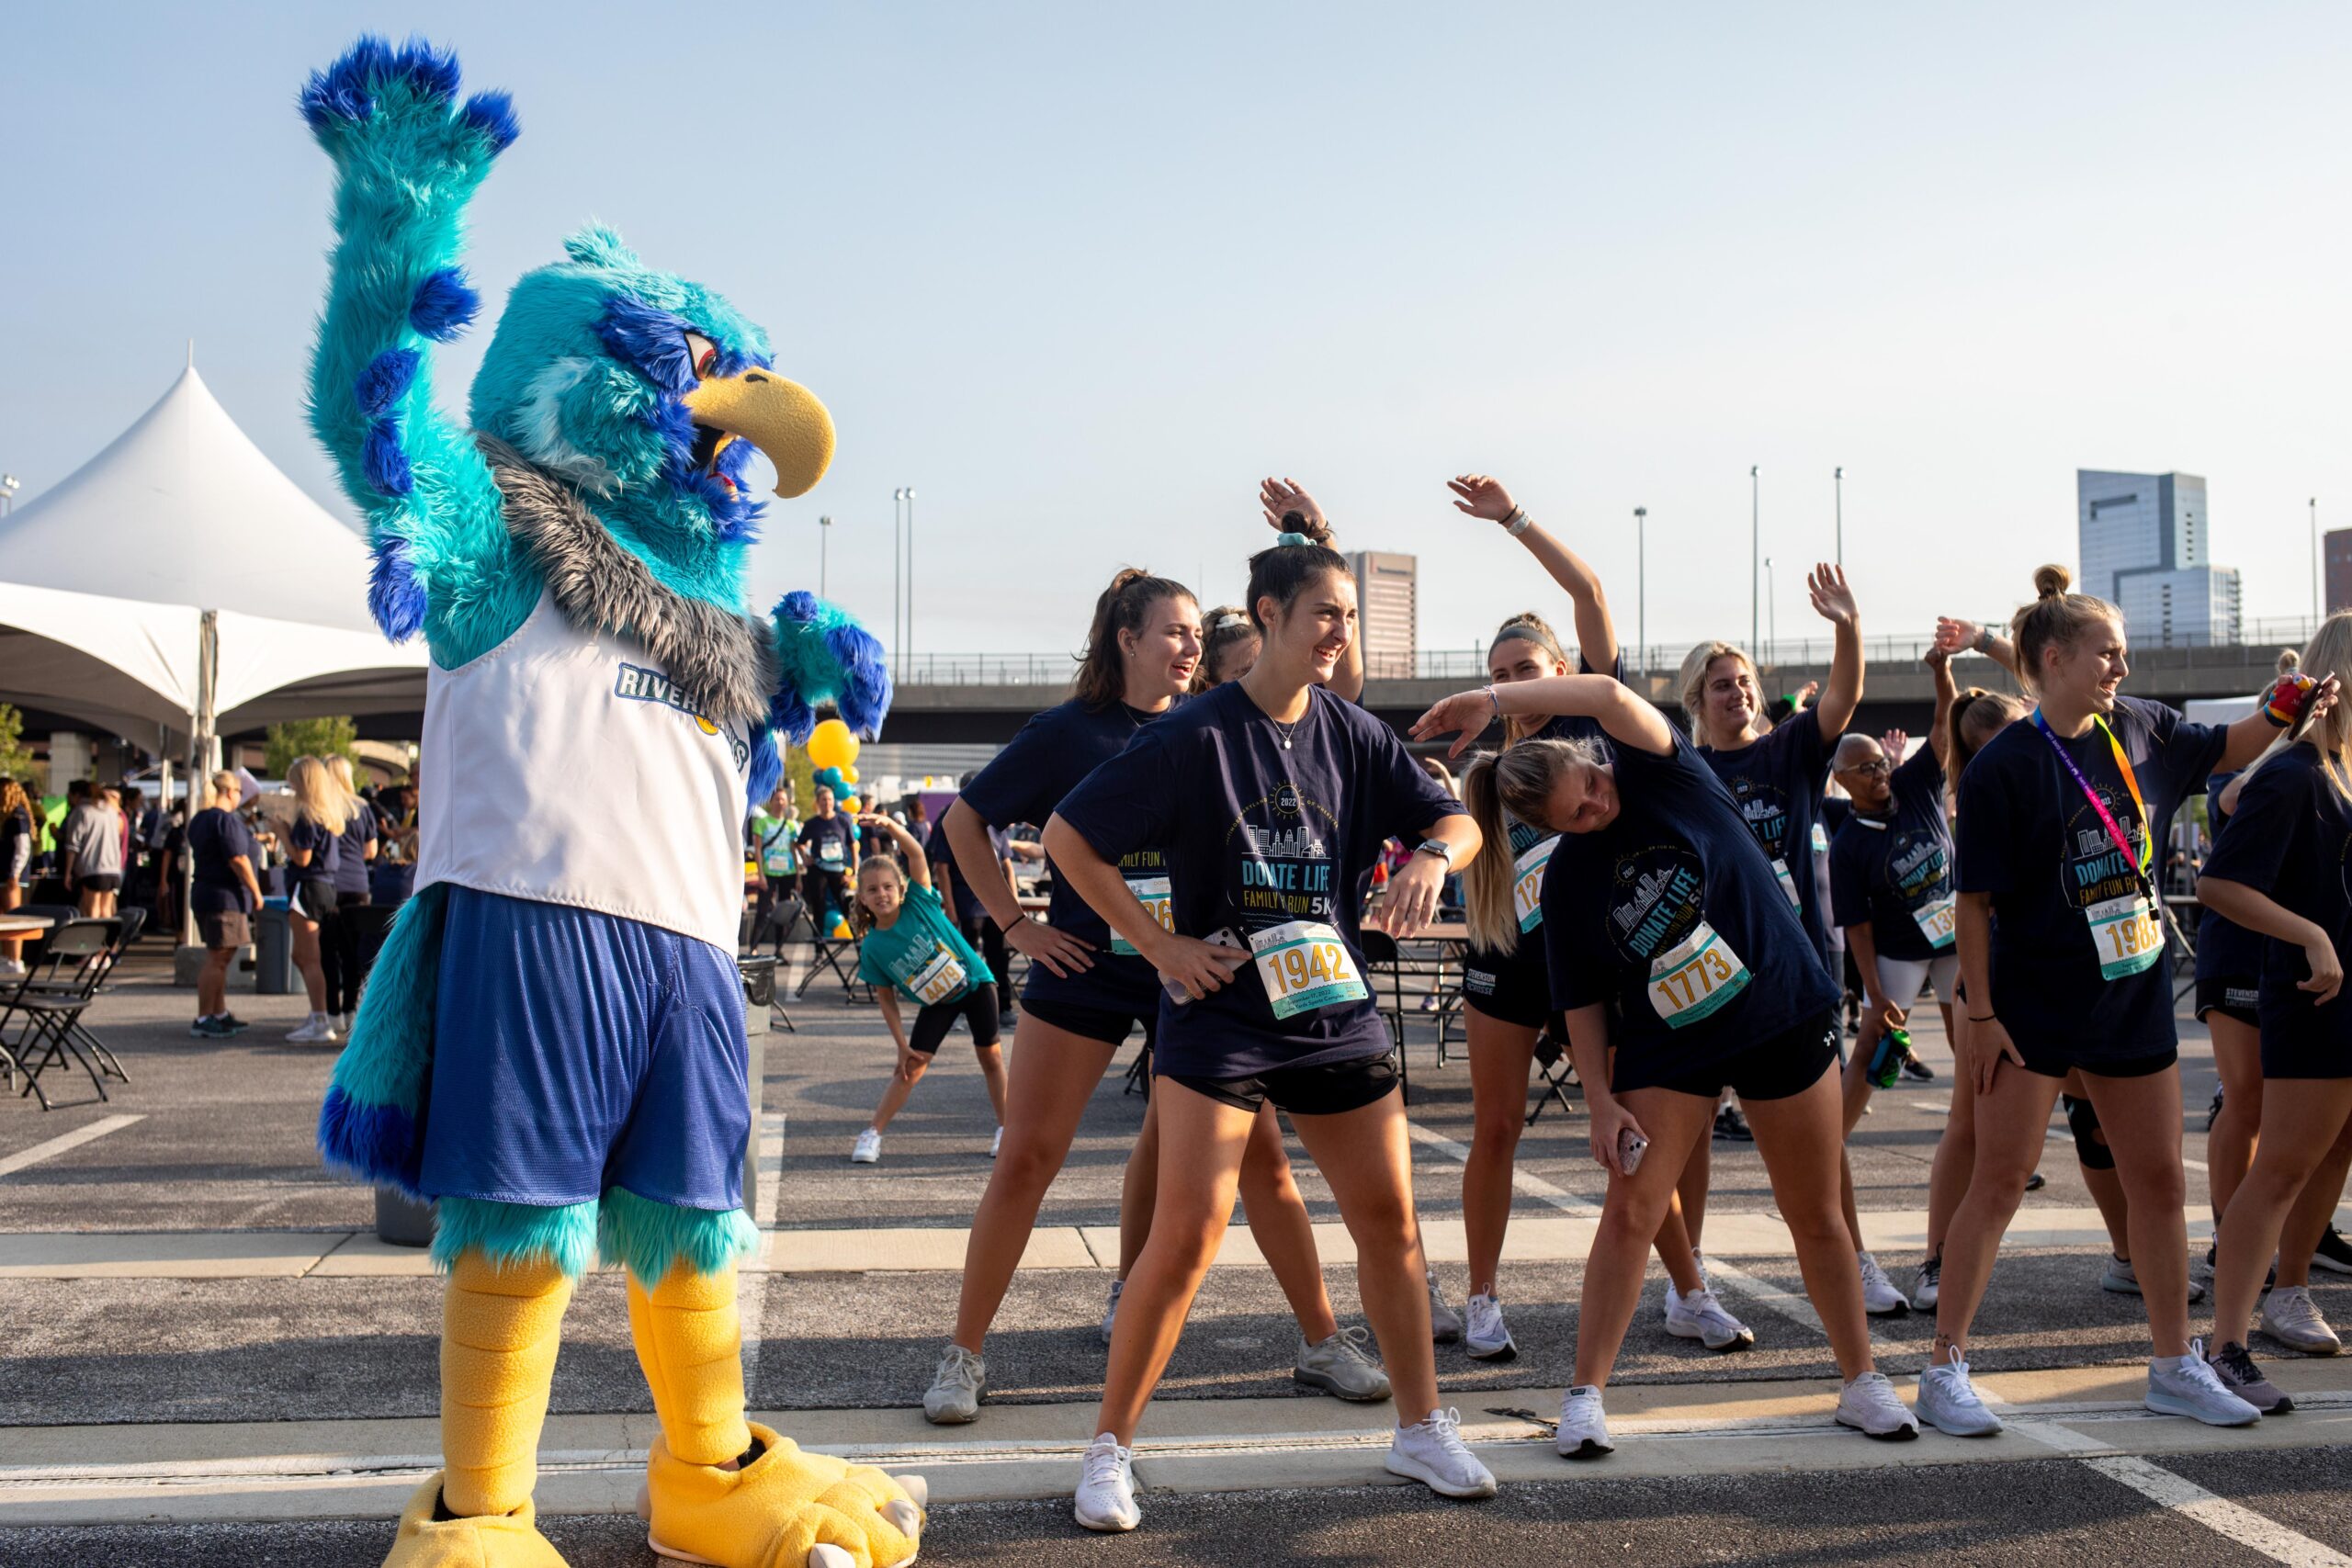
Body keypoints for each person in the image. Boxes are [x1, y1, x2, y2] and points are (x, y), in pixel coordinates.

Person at [1051, 533, 1495, 1531]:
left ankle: (1421, 1428)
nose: (1338, 631)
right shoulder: (1191, 734)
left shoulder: (1350, 730)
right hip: (1220, 1020)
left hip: (1332, 1010)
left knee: (1388, 1222)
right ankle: (1108, 1451)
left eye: (1348, 614)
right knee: (1189, 1233)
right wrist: (1158, 948)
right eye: (1323, 613)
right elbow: (1071, 840)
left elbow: (1456, 818)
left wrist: (1430, 857)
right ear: (1269, 616)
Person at [928, 545, 1385, 1435]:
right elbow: (962, 821)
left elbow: (1341, 702)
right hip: (1090, 972)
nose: (1188, 646)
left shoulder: (1217, 723)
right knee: (1027, 1157)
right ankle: (964, 1352)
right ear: (1125, 638)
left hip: (1204, 979)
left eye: (1194, 633)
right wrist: (1018, 927)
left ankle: (1319, 1340)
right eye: (1172, 632)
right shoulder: (1066, 733)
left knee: (1263, 1169)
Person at [1426, 667, 1916, 1460]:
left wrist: (1495, 701)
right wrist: (1598, 1099)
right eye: (1574, 815)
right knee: (1631, 1209)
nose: (1594, 804)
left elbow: (1612, 699)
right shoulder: (1569, 879)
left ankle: (1861, 1380)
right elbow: (1582, 1000)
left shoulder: (1662, 770)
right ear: (1552, 831)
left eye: (1589, 782)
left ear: (1592, 758)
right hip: (1673, 1039)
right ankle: (1584, 1397)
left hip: (1778, 1008)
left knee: (1815, 1208)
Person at [1914, 566, 2326, 1438]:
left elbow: (2239, 740)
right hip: (2031, 1003)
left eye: (2125, 655)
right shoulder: (2004, 767)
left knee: (2157, 1183)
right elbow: (1974, 905)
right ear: (2054, 658)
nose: (2121, 670)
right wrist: (1979, 1015)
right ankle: (1944, 1363)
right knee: (1999, 1179)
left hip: (2132, 996)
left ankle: (2176, 1362)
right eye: (2108, 654)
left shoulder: (2145, 729)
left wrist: (2297, 696)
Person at [1441, 471, 1752, 1362]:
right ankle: (1483, 1297)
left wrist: (1514, 521)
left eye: (1525, 672)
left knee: (1654, 1127)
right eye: (1496, 676)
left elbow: (1587, 594)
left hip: (1608, 971)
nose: (1510, 685)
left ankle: (1688, 1291)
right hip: (1510, 967)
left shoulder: (1602, 737)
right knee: (1495, 1126)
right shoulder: (1488, 777)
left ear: (1561, 673)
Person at [1668, 565, 1864, 1300]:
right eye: (1722, 683)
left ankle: (1856, 1256)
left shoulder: (1787, 751)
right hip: (1714, 977)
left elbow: (1842, 700)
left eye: (1745, 680)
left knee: (1822, 1136)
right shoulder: (1685, 771)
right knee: (1688, 1134)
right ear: (1698, 698)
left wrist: (1847, 626)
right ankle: (1686, 1280)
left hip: (1795, 976)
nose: (1738, 692)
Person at [2198, 615, 2352, 1405]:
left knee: (2330, 1156)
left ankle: (2286, 1291)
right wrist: (2313, 936)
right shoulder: (2293, 773)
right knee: (2281, 1167)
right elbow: (2219, 883)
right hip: (2310, 997)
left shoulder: (2339, 772)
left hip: (2341, 997)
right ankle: (2225, 1342)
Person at [1823, 646, 1960, 1316]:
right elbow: (1858, 927)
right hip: (1902, 952)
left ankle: (1984, 1129)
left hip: (1956, 940)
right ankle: (1832, 1137)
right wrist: (1876, 993)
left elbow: (1943, 727)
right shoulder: (1851, 844)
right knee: (1878, 1050)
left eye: (1882, 761)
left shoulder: (1919, 787)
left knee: (1977, 1032)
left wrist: (1940, 673)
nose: (1880, 773)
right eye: (1867, 768)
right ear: (1844, 779)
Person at [845, 814, 1009, 1162]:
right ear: (862, 898)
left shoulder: (919, 900)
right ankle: (872, 1133)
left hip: (976, 982)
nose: (882, 894)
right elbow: (885, 1000)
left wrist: (891, 827)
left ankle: (1006, 1128)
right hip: (938, 1001)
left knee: (991, 1057)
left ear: (901, 888)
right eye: (872, 890)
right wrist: (901, 1045)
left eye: (888, 886)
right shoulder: (873, 947)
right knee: (911, 1066)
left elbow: (918, 854)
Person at [927, 781, 1014, 1021]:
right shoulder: (952, 821)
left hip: (997, 904)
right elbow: (941, 868)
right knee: (965, 958)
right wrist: (951, 908)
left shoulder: (996, 823)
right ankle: (964, 1009)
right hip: (967, 903)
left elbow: (1007, 865)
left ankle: (1003, 1007)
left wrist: (1014, 902)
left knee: (999, 956)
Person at [187, 770, 263, 1038]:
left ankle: (218, 1012)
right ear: (230, 792)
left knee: (222, 956)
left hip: (208, 893)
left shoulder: (201, 819)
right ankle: (205, 1016)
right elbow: (237, 859)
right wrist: (256, 891)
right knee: (217, 957)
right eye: (239, 792)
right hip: (223, 897)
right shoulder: (224, 820)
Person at [283, 756, 349, 1043]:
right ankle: (318, 1013)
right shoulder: (328, 815)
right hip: (325, 887)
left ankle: (321, 1018)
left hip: (308, 887)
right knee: (303, 955)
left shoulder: (307, 816)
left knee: (310, 958)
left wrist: (281, 833)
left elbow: (302, 857)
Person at [323, 756, 379, 1033]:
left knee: (329, 952)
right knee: (353, 952)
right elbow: (371, 851)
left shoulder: (322, 807)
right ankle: (350, 1009)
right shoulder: (362, 808)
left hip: (330, 884)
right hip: (358, 884)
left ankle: (331, 1011)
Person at [747, 785, 799, 953]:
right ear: (771, 802)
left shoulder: (791, 826)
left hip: (787, 873)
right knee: (762, 911)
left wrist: (798, 876)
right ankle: (754, 948)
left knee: (784, 914)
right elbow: (758, 850)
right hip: (768, 873)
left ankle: (779, 949)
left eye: (783, 799)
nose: (780, 802)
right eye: (777, 799)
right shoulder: (762, 822)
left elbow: (793, 850)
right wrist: (760, 875)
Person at [61, 781, 124, 918]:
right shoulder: (111, 811)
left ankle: (93, 938)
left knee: (92, 909)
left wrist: (68, 872)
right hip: (113, 867)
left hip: (91, 867)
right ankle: (109, 938)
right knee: (106, 909)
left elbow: (73, 844)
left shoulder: (82, 811)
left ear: (77, 795)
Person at [798, 785, 857, 931]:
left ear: (833, 801)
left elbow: (853, 847)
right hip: (818, 870)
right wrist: (805, 858)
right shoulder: (811, 823)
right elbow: (799, 844)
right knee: (818, 907)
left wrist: (854, 873)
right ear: (818, 802)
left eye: (830, 799)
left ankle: (859, 944)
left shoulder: (843, 821)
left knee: (847, 905)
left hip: (839, 870)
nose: (827, 803)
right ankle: (819, 950)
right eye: (823, 800)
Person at [0, 778, 33, 980]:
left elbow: (23, 847)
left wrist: (15, 872)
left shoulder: (17, 816)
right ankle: (6, 956)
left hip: (12, 875)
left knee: (14, 918)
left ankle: (15, 958)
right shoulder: (8, 816)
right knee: (4, 917)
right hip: (5, 873)